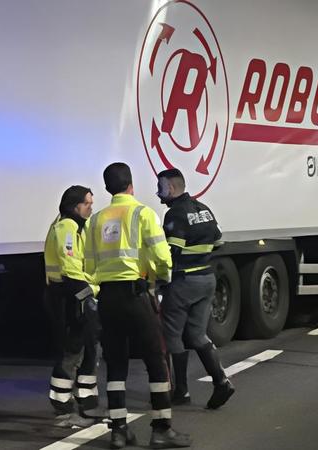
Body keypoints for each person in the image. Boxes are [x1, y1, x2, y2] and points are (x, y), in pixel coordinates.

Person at [84, 163, 191, 449]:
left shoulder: (96, 221)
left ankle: (118, 431)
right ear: (131, 184)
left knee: (116, 365)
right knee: (156, 362)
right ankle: (161, 428)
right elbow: (161, 255)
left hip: (107, 299)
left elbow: (89, 266)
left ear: (108, 188)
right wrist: (162, 279)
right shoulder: (144, 213)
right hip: (137, 296)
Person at [156, 168, 234, 408]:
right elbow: (218, 241)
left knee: (172, 337)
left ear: (170, 188)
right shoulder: (204, 209)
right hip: (207, 279)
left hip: (183, 283)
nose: (157, 192)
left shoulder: (175, 215)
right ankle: (221, 382)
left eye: (160, 187)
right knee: (198, 335)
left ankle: (181, 391)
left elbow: (171, 252)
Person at [43, 185, 101, 422]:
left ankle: (81, 398)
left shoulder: (76, 226)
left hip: (72, 293)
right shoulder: (67, 227)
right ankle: (62, 398)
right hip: (69, 294)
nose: (91, 207)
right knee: (75, 348)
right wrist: (89, 293)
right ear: (74, 205)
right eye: (87, 203)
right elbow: (71, 268)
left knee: (86, 346)